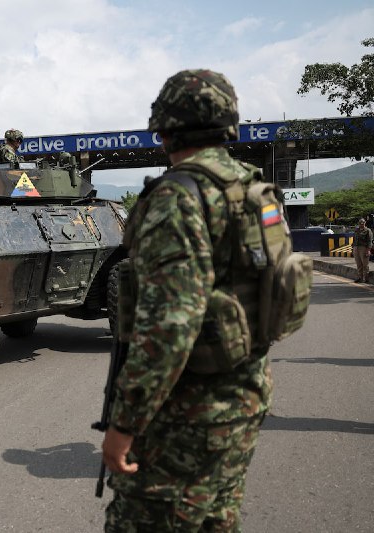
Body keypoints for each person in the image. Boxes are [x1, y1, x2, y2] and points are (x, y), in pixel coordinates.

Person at [102, 69, 272, 531]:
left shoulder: (177, 198)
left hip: (185, 417)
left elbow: (170, 326)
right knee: (215, 519)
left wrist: (124, 425)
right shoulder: (255, 190)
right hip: (245, 396)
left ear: (165, 126)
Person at [353, 218, 373, 282]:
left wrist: (368, 250)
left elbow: (370, 241)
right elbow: (354, 239)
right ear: (358, 224)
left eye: (363, 223)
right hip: (356, 248)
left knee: (365, 264)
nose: (362, 224)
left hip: (364, 248)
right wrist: (353, 247)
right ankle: (360, 278)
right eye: (360, 223)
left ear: (365, 223)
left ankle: (366, 278)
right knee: (358, 264)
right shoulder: (356, 230)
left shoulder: (368, 230)